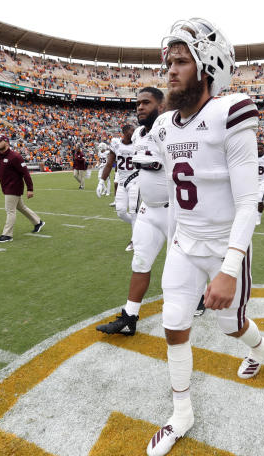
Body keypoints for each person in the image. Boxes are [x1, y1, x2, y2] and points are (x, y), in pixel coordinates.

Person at [145, 18, 264, 456]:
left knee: (230, 326)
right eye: (169, 61)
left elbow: (247, 202)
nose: (171, 70)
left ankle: (261, 345)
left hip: (223, 248)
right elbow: (174, 198)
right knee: (172, 324)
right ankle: (182, 413)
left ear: (207, 66)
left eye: (181, 61)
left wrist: (228, 270)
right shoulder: (163, 128)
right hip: (186, 244)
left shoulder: (230, 112)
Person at [96, 87, 166, 336]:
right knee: (140, 262)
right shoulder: (137, 133)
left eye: (146, 102)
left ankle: (200, 296)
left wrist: (153, 162)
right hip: (148, 209)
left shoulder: (172, 128)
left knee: (187, 264)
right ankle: (130, 316)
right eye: (138, 103)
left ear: (161, 105)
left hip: (177, 210)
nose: (140, 107)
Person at [0, 135, 45, 243]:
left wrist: (30, 189)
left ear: (6, 143)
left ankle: (7, 235)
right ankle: (38, 222)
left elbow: (25, 173)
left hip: (14, 187)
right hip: (6, 187)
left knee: (10, 211)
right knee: (21, 207)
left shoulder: (15, 156)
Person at [100, 125, 137, 251]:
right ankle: (140, 224)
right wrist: (101, 181)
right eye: (132, 130)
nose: (134, 132)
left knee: (133, 211)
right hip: (121, 182)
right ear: (125, 132)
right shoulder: (116, 145)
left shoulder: (138, 143)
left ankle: (134, 240)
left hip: (135, 181)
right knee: (121, 212)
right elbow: (109, 164)